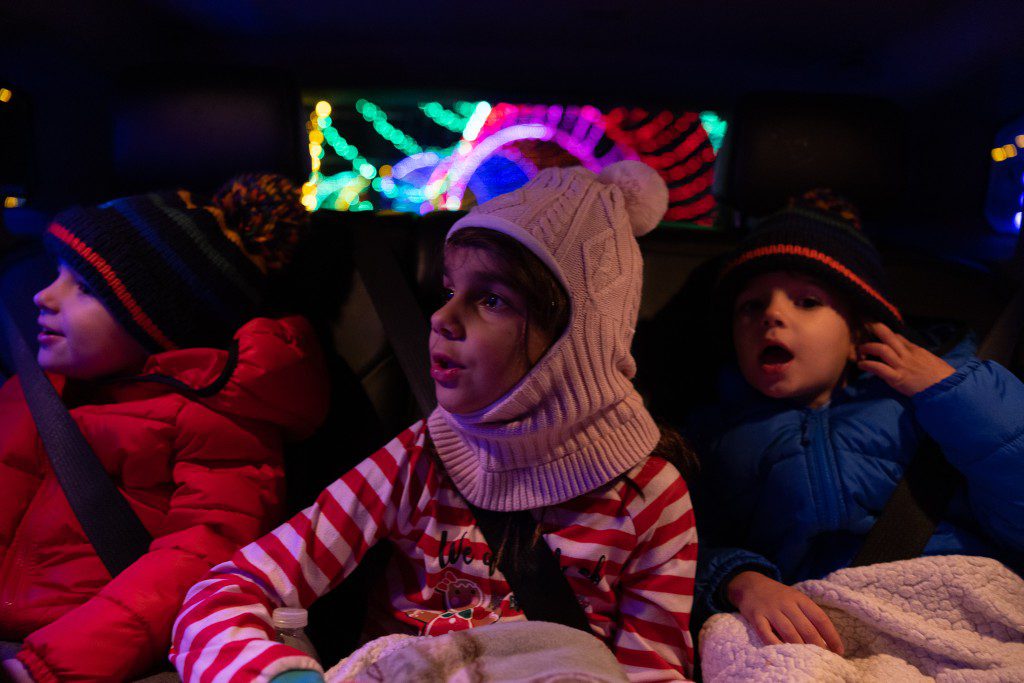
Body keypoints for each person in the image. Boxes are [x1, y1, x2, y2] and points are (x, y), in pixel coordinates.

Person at [170, 162, 700, 682]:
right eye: (449, 292)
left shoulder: (651, 494)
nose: (441, 318)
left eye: (491, 299)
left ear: (577, 340)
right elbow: (231, 589)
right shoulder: (421, 455)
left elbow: (653, 671)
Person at [0, 174, 330, 681]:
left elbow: (195, 563)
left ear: (155, 324)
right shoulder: (34, 390)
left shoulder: (219, 421)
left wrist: (44, 667)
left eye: (83, 288)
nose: (45, 295)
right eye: (57, 274)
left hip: (84, 656)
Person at [687, 189, 1024, 654]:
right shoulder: (714, 436)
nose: (772, 315)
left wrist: (950, 390)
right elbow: (680, 547)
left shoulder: (923, 402)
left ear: (856, 335)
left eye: (807, 301)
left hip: (956, 607)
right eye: (751, 306)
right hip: (819, 630)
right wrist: (740, 580)